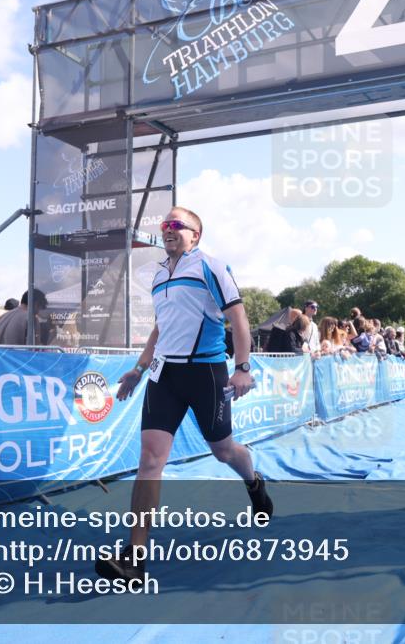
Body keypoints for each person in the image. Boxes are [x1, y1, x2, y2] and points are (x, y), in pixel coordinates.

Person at [99, 207, 269, 584]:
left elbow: (238, 318)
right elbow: (162, 326)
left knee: (224, 451)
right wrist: (139, 368)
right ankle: (135, 558)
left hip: (206, 372)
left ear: (196, 234)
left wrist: (243, 368)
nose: (168, 229)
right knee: (150, 460)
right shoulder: (161, 274)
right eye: (165, 225)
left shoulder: (211, 266)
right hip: (165, 374)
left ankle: (254, 481)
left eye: (177, 225)